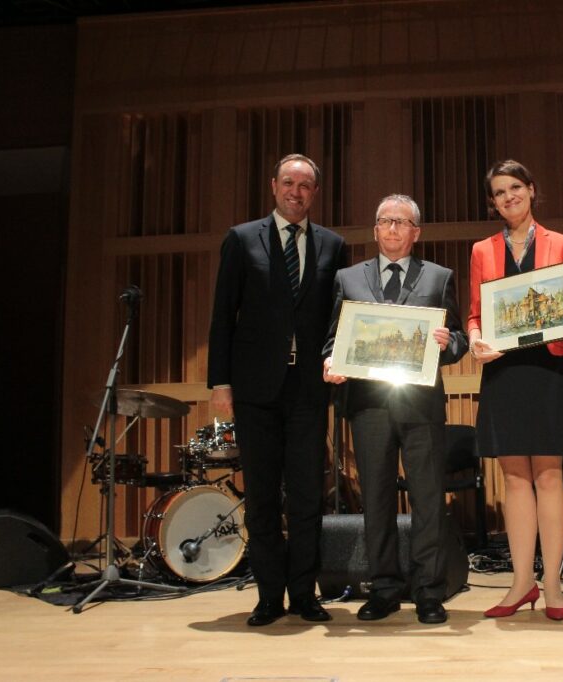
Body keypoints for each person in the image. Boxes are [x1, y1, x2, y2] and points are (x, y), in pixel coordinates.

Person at [207, 153, 346, 626]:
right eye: (288, 182)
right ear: (273, 186)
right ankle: (269, 596)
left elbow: (337, 319)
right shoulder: (241, 239)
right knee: (263, 496)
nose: (296, 191)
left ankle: (304, 594)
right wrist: (220, 382)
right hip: (254, 390)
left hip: (308, 390)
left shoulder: (333, 245)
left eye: (305, 185)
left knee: (308, 495)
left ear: (315, 192)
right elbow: (223, 315)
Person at [322, 194, 468, 625]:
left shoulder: (439, 277)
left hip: (420, 404)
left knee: (426, 500)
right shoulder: (347, 278)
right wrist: (330, 360)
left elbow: (457, 339)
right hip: (368, 405)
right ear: (375, 229)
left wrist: (449, 344)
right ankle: (383, 588)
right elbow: (333, 339)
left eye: (401, 222)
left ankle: (428, 592)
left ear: (416, 232)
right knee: (377, 500)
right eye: (385, 221)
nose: (392, 229)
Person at [468, 160, 563, 621]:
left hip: (547, 368)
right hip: (503, 373)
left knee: (550, 477)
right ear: (493, 202)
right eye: (499, 192)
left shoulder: (561, 243)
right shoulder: (482, 249)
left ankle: (553, 585)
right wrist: (476, 336)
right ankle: (522, 582)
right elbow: (476, 311)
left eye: (515, 187)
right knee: (515, 479)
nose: (509, 197)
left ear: (532, 190)